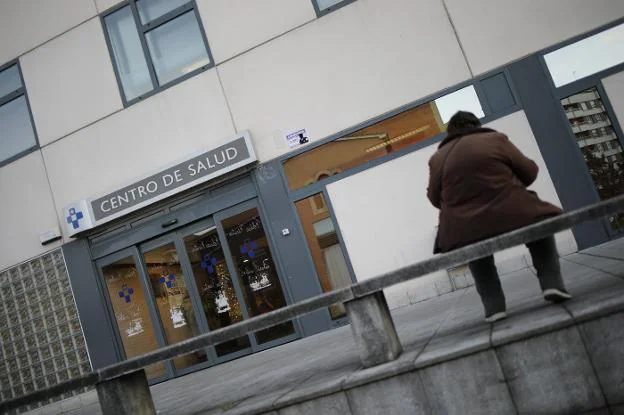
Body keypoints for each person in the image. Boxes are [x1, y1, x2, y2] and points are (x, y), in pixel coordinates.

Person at [427, 111, 571, 323]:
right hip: (514, 213)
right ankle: (552, 284)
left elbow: (434, 198)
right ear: (477, 124)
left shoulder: (437, 158)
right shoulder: (495, 140)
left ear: (449, 133)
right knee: (538, 224)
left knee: (473, 245)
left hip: (463, 228)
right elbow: (529, 172)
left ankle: (494, 307)